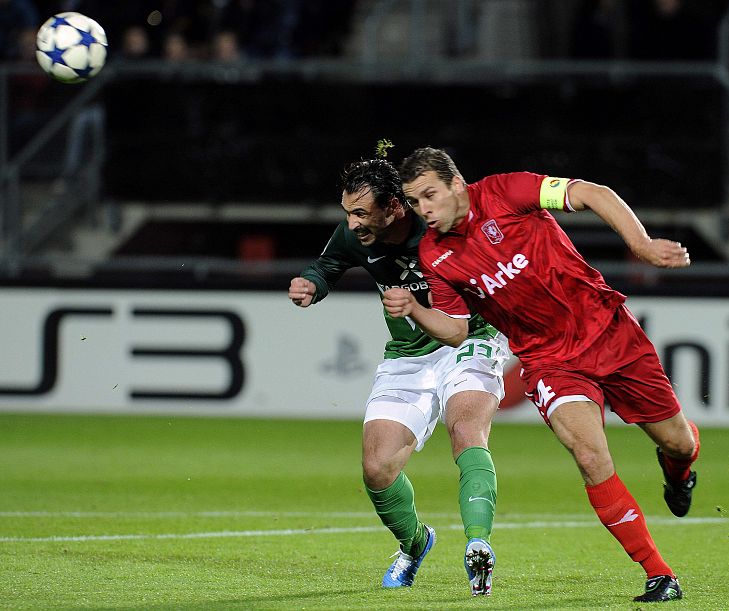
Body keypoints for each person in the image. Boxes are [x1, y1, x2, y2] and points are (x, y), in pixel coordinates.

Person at [383, 147, 701, 603]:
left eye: (430, 195)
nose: (424, 210)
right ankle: (659, 573)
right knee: (590, 456)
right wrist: (415, 309)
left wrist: (642, 245)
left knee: (677, 441)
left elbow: (593, 193)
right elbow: (454, 331)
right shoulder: (435, 255)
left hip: (610, 334)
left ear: (456, 184)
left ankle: (679, 470)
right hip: (549, 360)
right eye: (414, 202)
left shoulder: (506, 191)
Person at [288, 157, 510, 596]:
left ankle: (478, 544)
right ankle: (415, 543)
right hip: (408, 355)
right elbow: (327, 265)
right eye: (347, 212)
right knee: (377, 468)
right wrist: (312, 284)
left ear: (394, 206)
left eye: (361, 213)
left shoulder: (438, 227)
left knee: (466, 429)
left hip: (469, 339)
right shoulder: (354, 235)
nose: (351, 224)